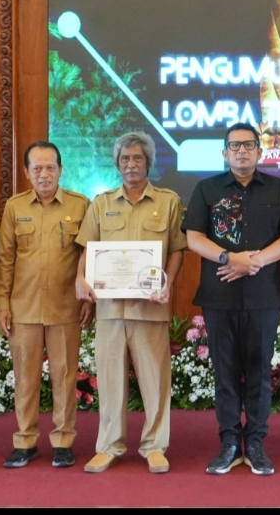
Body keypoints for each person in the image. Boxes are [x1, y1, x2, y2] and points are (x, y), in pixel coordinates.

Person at [183, 122, 280, 476]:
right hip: (219, 296)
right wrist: (227, 258)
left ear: (259, 151)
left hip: (264, 296)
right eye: (234, 146)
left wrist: (253, 261)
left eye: (249, 145)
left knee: (258, 374)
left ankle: (256, 443)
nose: (241, 151)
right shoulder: (207, 189)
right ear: (224, 153)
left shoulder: (279, 189)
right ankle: (229, 442)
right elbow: (193, 237)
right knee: (225, 373)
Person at [74, 132, 187, 474]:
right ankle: (109, 445)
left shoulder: (168, 201)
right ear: (117, 164)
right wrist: (80, 280)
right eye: (125, 159)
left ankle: (155, 446)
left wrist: (167, 283)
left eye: (138, 158)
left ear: (148, 162)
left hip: (150, 307)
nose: (131, 164)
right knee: (108, 379)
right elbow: (87, 249)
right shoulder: (101, 203)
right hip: (109, 308)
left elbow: (177, 249)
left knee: (154, 379)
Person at [0, 141, 92, 470]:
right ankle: (25, 440)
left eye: (51, 167)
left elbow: (88, 256)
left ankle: (63, 440)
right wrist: (2, 304)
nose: (44, 174)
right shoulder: (14, 207)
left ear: (61, 170)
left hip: (66, 307)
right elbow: (5, 260)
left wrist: (89, 297)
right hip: (24, 307)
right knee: (25, 378)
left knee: (64, 377)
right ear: (26, 173)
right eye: (37, 168)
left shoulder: (80, 205)